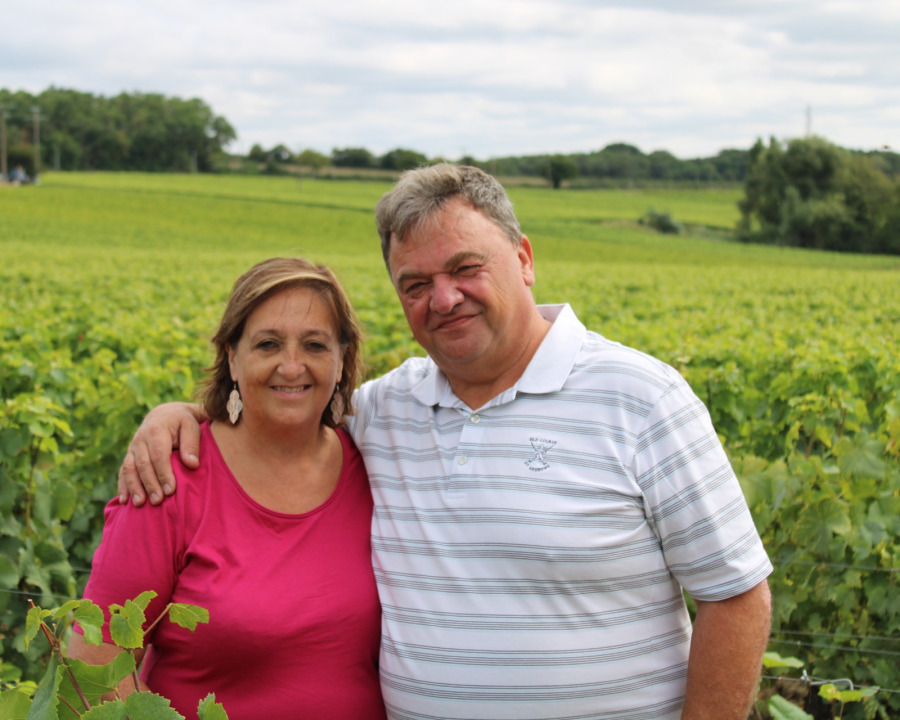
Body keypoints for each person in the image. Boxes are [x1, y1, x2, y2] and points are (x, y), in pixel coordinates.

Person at [119, 165, 773, 720]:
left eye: (466, 268)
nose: (445, 297)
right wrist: (178, 416)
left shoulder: (641, 398)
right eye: (415, 284)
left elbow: (737, 596)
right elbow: (283, 411)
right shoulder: (383, 411)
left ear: (524, 259)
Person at [71, 258, 386, 720]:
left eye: (315, 345)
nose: (291, 365)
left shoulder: (378, 466)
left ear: (341, 360)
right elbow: (93, 668)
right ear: (232, 357)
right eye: (268, 344)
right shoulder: (169, 481)